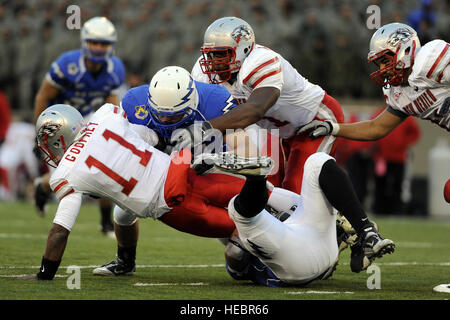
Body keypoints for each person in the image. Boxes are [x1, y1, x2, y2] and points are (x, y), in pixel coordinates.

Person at [187, 16, 345, 194]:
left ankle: (351, 220)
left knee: (297, 188)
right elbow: (207, 114)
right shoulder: (203, 73)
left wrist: (206, 128)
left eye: (221, 54)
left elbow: (255, 110)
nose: (214, 61)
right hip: (278, 130)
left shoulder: (261, 60)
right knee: (268, 187)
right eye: (210, 54)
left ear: (243, 49)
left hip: (315, 119)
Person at [297, 22, 449, 204]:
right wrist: (333, 128)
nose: (382, 69)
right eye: (379, 64)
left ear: (406, 50)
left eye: (385, 60)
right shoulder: (400, 93)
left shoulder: (430, 60)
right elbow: (376, 128)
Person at [200, 151, 395, 286]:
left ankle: (367, 232)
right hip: (299, 264)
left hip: (314, 239)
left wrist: (215, 169)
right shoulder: (252, 245)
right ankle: (255, 177)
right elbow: (236, 256)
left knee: (317, 162)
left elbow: (272, 195)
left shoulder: (268, 219)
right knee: (237, 208)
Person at [33, 17, 125, 236]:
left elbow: (112, 104)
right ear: (85, 42)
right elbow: (42, 97)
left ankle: (105, 223)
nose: (99, 48)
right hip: (62, 118)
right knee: (65, 178)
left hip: (90, 116)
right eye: (94, 43)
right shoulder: (67, 64)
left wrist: (115, 132)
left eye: (103, 44)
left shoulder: (115, 68)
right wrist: (38, 136)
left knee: (104, 163)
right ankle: (43, 186)